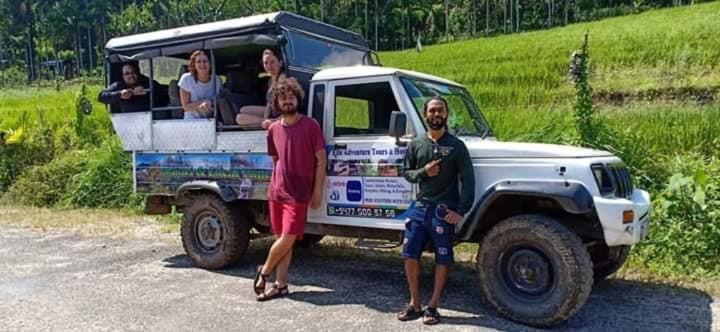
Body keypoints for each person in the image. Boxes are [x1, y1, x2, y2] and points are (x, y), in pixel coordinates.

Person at [397, 96, 475, 325]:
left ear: (446, 114)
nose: (436, 114)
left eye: (440, 110)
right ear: (425, 114)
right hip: (420, 208)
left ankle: (433, 306)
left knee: (443, 258)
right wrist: (424, 172)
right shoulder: (417, 144)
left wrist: (461, 211)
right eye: (432, 111)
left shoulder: (457, 146)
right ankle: (415, 304)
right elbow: (407, 173)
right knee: (409, 254)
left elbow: (468, 180)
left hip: (444, 210)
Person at [253, 76, 326, 301]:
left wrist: (317, 191)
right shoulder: (273, 128)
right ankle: (281, 285)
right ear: (276, 102)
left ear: (297, 99)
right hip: (277, 192)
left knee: (289, 237)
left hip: (299, 194)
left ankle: (263, 272)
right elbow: (276, 159)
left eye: (290, 97)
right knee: (282, 239)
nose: (287, 101)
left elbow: (321, 161)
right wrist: (276, 183)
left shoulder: (311, 125)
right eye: (282, 98)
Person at [235, 49, 287, 129]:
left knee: (240, 118)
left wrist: (272, 121)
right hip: (273, 113)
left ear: (280, 63)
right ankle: (264, 124)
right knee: (243, 109)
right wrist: (265, 119)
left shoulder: (284, 80)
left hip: (281, 118)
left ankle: (270, 125)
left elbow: (290, 111)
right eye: (266, 63)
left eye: (272, 62)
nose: (269, 66)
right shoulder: (270, 80)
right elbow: (269, 104)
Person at [179, 50, 223, 120]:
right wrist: (203, 103)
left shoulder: (217, 80)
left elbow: (220, 102)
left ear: (210, 64)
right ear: (194, 65)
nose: (202, 64)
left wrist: (211, 104)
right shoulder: (186, 79)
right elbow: (186, 107)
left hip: (212, 121)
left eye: (205, 61)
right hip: (191, 121)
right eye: (198, 62)